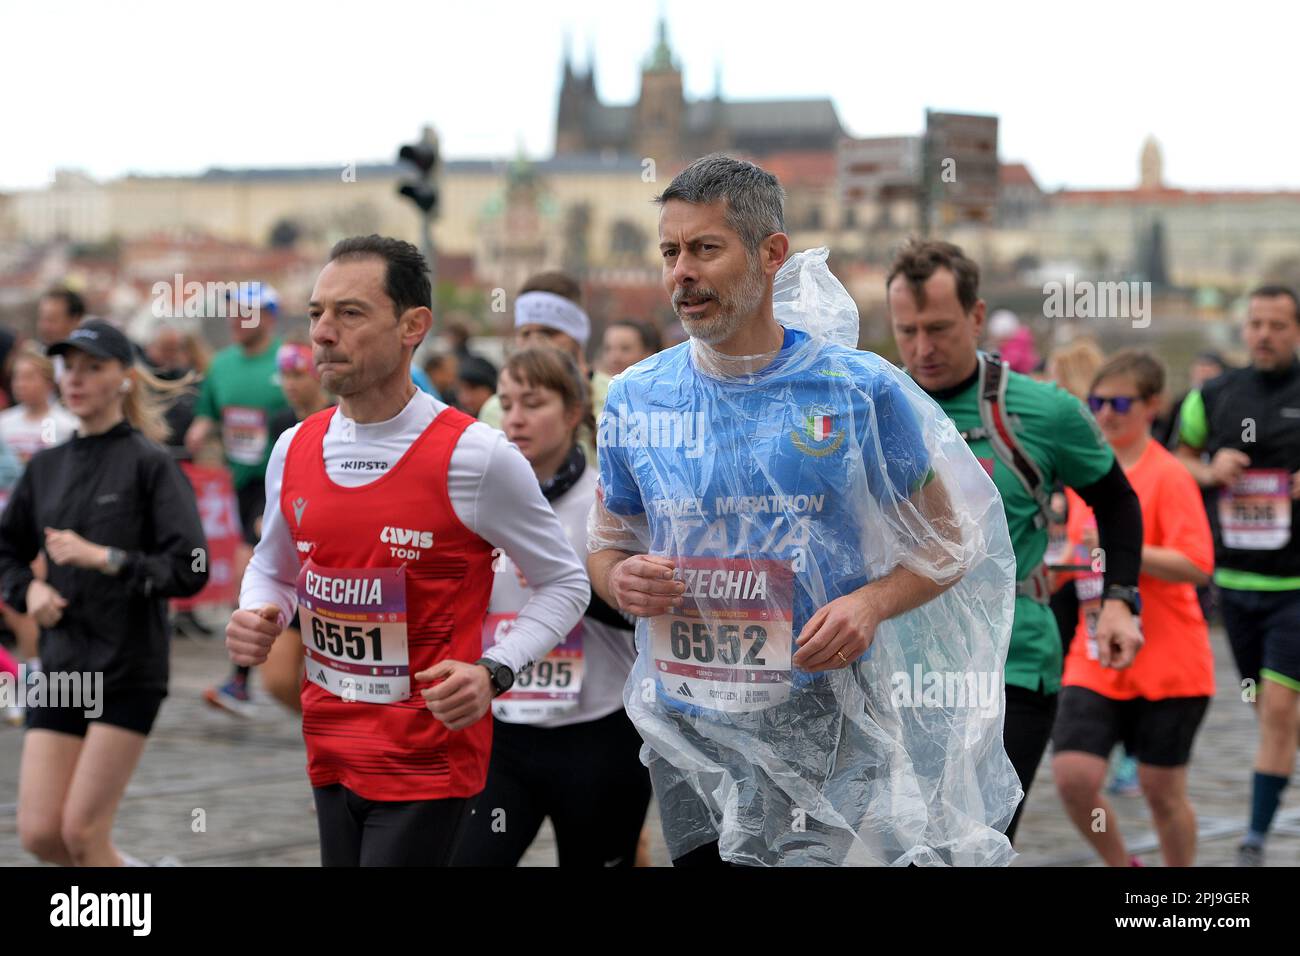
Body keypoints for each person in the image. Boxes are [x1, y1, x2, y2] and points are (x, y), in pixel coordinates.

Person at [588, 154, 1019, 867]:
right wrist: (618, 580)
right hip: (689, 722)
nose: (681, 272)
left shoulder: (856, 390)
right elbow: (607, 545)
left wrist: (872, 605)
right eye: (670, 252)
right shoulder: (636, 398)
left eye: (705, 249)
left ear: (771, 254)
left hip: (824, 717)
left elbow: (950, 541)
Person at [225, 235, 588, 866]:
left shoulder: (476, 456)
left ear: (413, 326)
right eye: (316, 313)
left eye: (350, 313)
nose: (324, 333)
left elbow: (565, 583)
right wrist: (261, 613)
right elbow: (273, 569)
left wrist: (494, 670)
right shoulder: (294, 447)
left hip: (428, 757)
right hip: (331, 745)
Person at [888, 238, 1145, 844]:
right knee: (911, 845)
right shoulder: (875, 403)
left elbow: (1117, 500)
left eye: (940, 329)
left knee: (974, 843)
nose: (922, 348)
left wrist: (1119, 599)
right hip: (905, 665)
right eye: (907, 331)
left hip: (1013, 662)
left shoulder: (1043, 410)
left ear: (977, 318)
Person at [0, 321, 207, 865]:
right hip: (64, 663)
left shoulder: (150, 464)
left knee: (82, 832)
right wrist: (29, 593)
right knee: (40, 833)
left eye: (94, 367)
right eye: (69, 367)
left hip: (127, 667)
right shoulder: (45, 467)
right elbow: (4, 550)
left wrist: (106, 559)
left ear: (124, 379)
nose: (76, 379)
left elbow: (191, 568)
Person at [454, 347, 649, 866]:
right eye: (507, 402)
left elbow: (648, 620)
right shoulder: (477, 499)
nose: (515, 417)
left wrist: (574, 587)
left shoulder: (609, 501)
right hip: (503, 731)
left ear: (571, 413)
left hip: (598, 733)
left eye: (533, 403)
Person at [1052, 351, 1214, 866]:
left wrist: (1126, 548)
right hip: (1093, 653)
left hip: (1169, 661)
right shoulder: (1087, 475)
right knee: (1074, 777)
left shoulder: (1169, 476)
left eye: (1120, 402)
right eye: (1097, 402)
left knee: (1161, 791)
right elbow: (1077, 555)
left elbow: (1197, 564)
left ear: (1153, 406)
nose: (1105, 413)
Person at [1175, 284, 1300, 866]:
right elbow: (1175, 458)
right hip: (1235, 585)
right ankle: (1276, 773)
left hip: (1296, 585)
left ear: (1295, 330)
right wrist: (1208, 468)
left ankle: (1252, 839)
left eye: (1277, 324)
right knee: (1265, 703)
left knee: (1277, 709)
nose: (1265, 334)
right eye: (1256, 324)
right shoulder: (1214, 395)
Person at [186, 284, 290, 714]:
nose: (235, 319)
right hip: (243, 484)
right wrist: (199, 430)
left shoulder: (287, 361)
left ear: (268, 317)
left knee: (257, 568)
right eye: (231, 312)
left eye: (245, 312)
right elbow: (207, 414)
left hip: (285, 480)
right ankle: (246, 679)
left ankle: (248, 678)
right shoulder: (222, 365)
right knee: (249, 572)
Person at [257, 336, 335, 714]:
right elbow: (270, 482)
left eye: (297, 375)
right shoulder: (279, 423)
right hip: (292, 565)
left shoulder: (344, 416)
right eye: (284, 376)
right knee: (277, 679)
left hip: (336, 570)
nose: (289, 384)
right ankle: (322, 725)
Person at [478, 272, 611, 462]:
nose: (536, 343)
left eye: (549, 333)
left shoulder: (615, 399)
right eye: (525, 334)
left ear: (578, 334)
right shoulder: (494, 409)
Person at [0, 346, 79, 463]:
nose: (20, 384)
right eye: (16, 377)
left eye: (29, 377)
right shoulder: (4, 422)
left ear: (49, 383)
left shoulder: (67, 425)